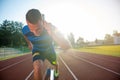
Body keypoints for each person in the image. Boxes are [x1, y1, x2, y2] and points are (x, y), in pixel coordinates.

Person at [22, 9, 71, 80]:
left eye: (38, 29)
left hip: (50, 50)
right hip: (37, 50)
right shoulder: (25, 29)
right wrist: (29, 43)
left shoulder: (51, 28)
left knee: (55, 65)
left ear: (42, 21)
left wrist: (51, 32)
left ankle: (55, 73)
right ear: (27, 22)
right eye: (32, 30)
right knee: (37, 66)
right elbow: (25, 35)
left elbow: (66, 46)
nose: (36, 33)